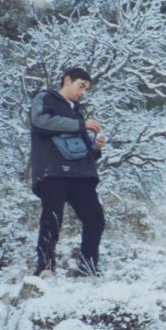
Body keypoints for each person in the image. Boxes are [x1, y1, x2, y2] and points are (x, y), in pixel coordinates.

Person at [29, 66, 107, 277]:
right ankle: (44, 270)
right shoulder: (44, 98)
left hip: (80, 175)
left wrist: (95, 148)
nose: (83, 92)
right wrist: (81, 125)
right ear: (67, 80)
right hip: (52, 171)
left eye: (87, 89)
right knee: (52, 220)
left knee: (96, 219)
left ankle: (88, 270)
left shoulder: (76, 112)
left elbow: (79, 146)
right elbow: (40, 122)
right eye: (81, 86)